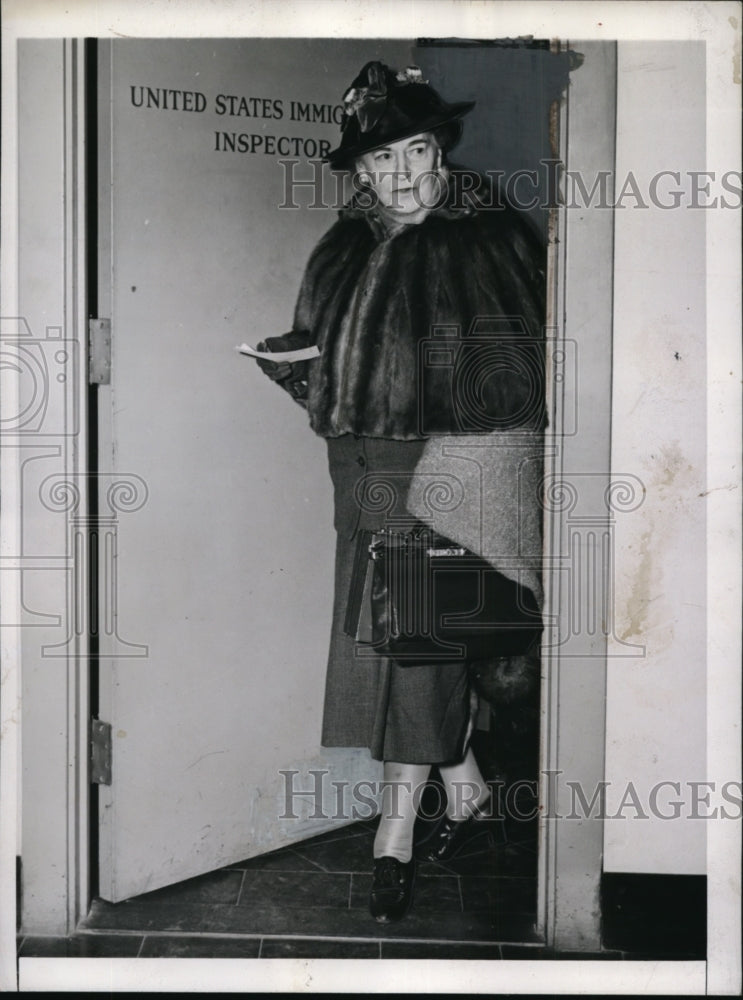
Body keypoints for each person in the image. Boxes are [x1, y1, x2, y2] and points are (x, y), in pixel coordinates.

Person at [255, 60, 546, 923]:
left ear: (437, 148)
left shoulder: (486, 233)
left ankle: (393, 838)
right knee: (386, 640)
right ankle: (464, 789)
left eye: (412, 152)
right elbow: (321, 346)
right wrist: (297, 369)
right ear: (359, 170)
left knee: (419, 645)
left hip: (443, 473)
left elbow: (521, 374)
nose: (398, 175)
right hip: (361, 470)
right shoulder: (346, 240)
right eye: (378, 161)